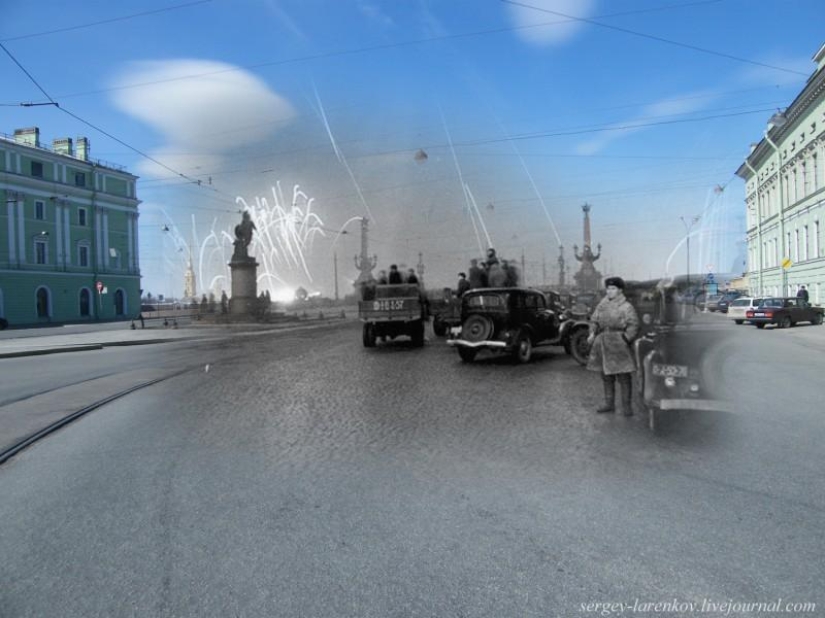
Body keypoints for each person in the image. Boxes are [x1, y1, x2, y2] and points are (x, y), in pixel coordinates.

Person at [586, 276, 640, 416]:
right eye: (608, 288)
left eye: (613, 288)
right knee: (606, 375)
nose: (609, 291)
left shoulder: (626, 306)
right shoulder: (602, 305)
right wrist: (592, 332)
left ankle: (627, 406)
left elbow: (633, 325)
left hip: (619, 343)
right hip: (603, 341)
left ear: (620, 290)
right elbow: (594, 320)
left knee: (623, 376)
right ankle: (609, 403)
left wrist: (625, 338)